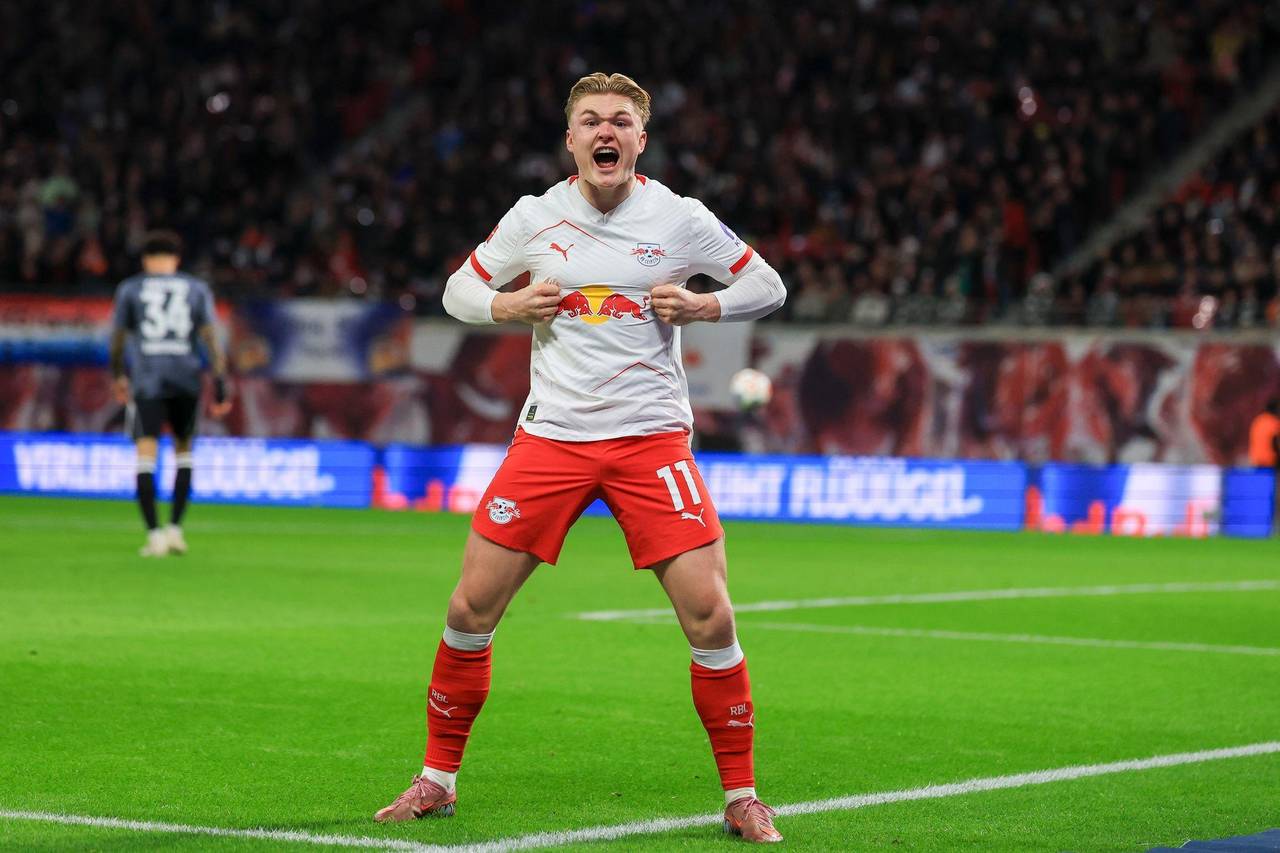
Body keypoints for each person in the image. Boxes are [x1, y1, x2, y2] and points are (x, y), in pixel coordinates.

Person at [374, 73, 787, 843]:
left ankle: (741, 795)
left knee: (711, 614)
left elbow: (769, 284)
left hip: (650, 439)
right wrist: (504, 304)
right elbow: (458, 289)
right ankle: (437, 780)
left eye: (621, 121)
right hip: (553, 438)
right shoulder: (534, 216)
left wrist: (706, 304)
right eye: (591, 120)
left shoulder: (681, 217)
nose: (606, 131)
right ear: (571, 140)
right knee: (468, 609)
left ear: (640, 140)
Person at [109, 230, 231, 556]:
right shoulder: (196, 288)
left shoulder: (130, 289)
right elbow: (211, 337)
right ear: (176, 259)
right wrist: (220, 382)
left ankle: (154, 535)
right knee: (184, 452)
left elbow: (118, 339)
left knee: (145, 455)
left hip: (147, 380)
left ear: (146, 260)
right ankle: (176, 529)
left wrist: (118, 375)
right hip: (186, 379)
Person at [1247, 396, 1280, 534]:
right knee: (1273, 496)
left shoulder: (1258, 421)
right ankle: (1273, 525)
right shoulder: (1273, 422)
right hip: (1271, 464)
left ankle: (1258, 524)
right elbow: (1275, 444)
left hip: (1257, 463)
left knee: (1260, 496)